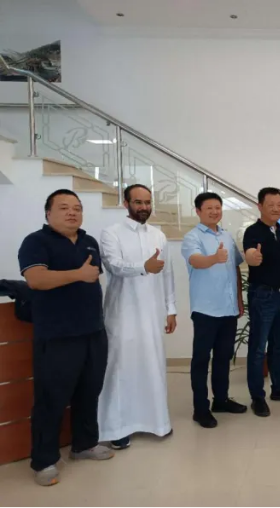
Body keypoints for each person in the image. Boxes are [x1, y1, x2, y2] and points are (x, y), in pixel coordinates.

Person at [18, 189, 113, 486]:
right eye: (64, 207)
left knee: (89, 392)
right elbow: (35, 279)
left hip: (93, 331)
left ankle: (84, 444)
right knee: (51, 399)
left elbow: (93, 279)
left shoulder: (89, 241)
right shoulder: (36, 241)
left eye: (77, 208)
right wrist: (78, 274)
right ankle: (44, 460)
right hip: (57, 335)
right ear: (48, 213)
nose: (72, 212)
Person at [97, 184, 177, 449]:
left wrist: (171, 309)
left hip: (152, 312)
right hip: (122, 313)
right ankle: (117, 428)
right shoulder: (111, 233)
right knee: (120, 368)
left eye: (147, 202)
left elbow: (167, 275)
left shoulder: (158, 235)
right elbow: (114, 266)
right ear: (126, 203)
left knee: (152, 365)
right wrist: (144, 267)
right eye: (138, 202)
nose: (144, 207)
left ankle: (157, 422)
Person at [181, 192, 247, 429]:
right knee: (201, 360)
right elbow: (195, 261)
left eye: (218, 207)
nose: (214, 212)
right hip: (206, 310)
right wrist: (214, 258)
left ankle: (221, 400)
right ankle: (200, 409)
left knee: (223, 357)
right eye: (209, 208)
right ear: (198, 211)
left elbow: (235, 268)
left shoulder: (226, 236)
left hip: (228, 309)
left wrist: (239, 299)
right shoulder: (192, 237)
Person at [243, 187, 280, 417]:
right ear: (260, 206)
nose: (276, 209)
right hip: (263, 297)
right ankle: (257, 397)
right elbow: (250, 254)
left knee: (278, 347)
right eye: (271, 205)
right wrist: (253, 257)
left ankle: (278, 389)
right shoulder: (253, 231)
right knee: (258, 350)